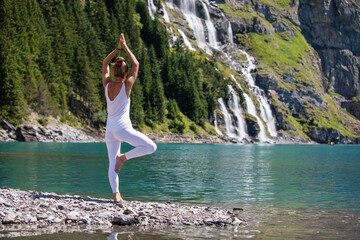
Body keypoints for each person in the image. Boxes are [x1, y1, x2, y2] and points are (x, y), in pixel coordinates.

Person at [102, 33, 157, 202]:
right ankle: (124, 158)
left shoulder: (107, 84)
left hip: (110, 131)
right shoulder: (127, 85)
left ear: (113, 71)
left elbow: (104, 63)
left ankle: (116, 195)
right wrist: (125, 47)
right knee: (151, 147)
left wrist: (117, 49)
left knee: (112, 165)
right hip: (124, 129)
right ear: (125, 74)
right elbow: (136, 64)